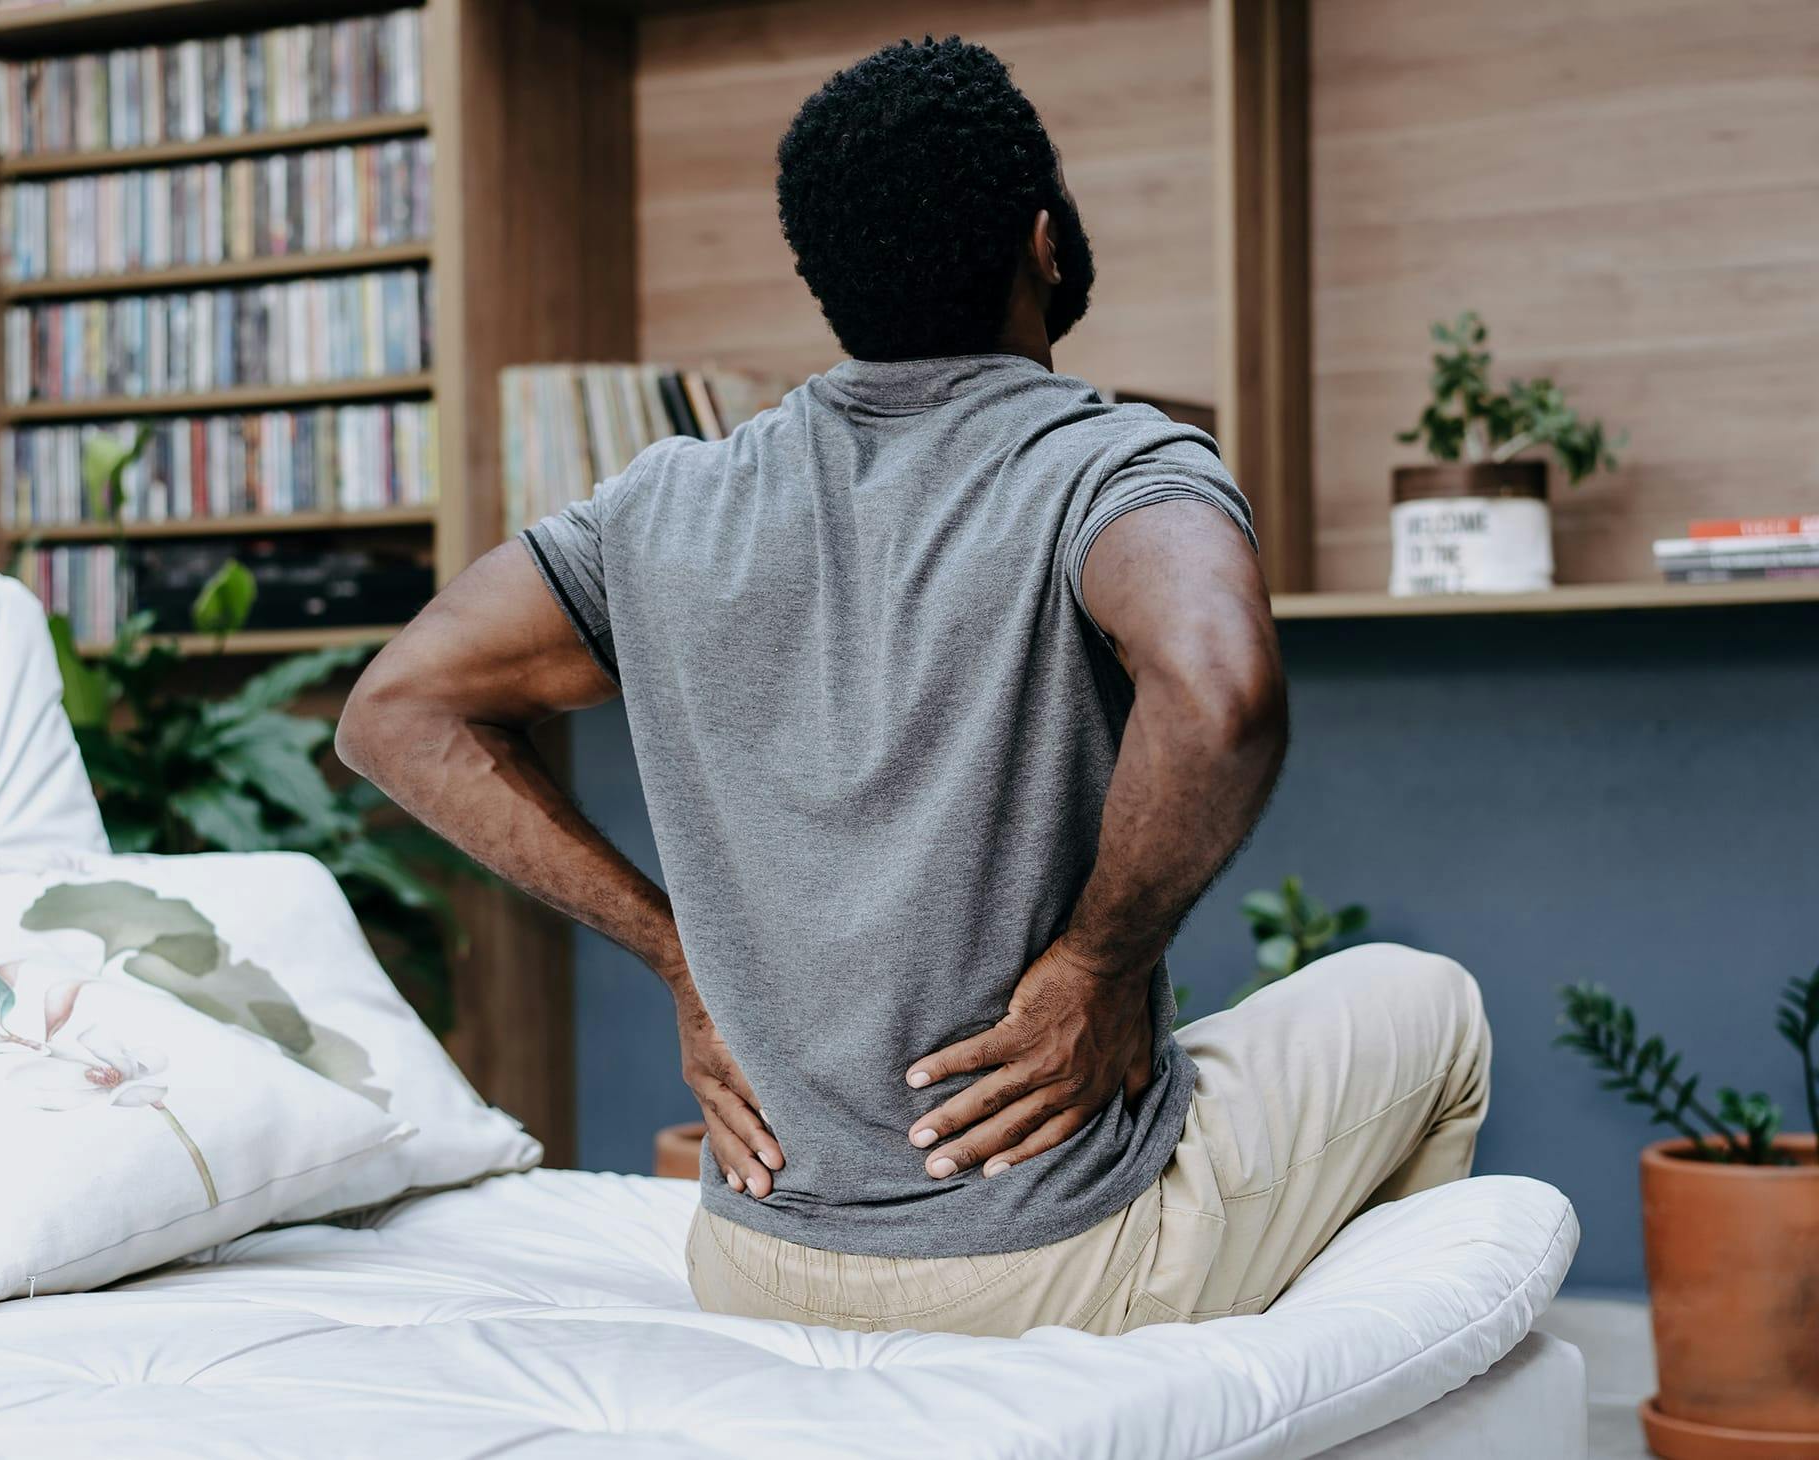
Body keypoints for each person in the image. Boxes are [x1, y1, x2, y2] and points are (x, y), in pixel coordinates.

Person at [336, 35, 1489, 1338]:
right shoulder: (1111, 464)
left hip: (755, 1255)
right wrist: (1099, 968)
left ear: (830, 278)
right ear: (1043, 242)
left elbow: (394, 714)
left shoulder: (671, 501)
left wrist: (678, 957)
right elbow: (1219, 693)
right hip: (1051, 1261)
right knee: (1430, 1007)